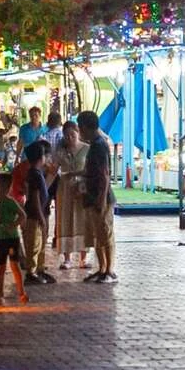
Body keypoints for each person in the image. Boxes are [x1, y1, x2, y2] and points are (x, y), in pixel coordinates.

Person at [77, 110, 118, 283]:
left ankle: (109, 270)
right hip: (93, 195)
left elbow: (104, 174)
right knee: (97, 234)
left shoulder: (99, 145)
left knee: (104, 234)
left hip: (100, 197)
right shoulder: (95, 144)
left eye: (80, 127)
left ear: (85, 127)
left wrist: (101, 198)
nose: (79, 131)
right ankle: (101, 268)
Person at [17, 139, 56, 284]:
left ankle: (39, 269)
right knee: (33, 243)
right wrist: (40, 216)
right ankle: (31, 272)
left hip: (37, 214)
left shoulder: (37, 173)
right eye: (46, 156)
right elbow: (34, 198)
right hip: (33, 215)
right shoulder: (34, 175)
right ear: (41, 158)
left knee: (40, 243)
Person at [53, 120, 89, 269]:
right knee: (65, 220)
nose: (69, 138)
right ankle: (67, 258)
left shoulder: (87, 149)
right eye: (66, 135)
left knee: (82, 220)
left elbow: (90, 169)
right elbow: (53, 169)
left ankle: (83, 257)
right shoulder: (60, 151)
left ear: (78, 133)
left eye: (72, 135)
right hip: (65, 189)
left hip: (81, 189)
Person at [0, 171, 27, 305]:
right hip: (1, 239)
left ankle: (21, 291)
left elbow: (22, 215)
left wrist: (13, 225)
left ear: (5, 188)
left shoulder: (10, 202)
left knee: (14, 266)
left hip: (11, 239)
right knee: (1, 267)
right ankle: (0, 293)